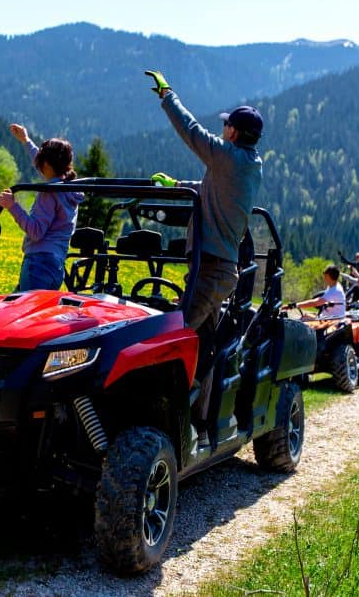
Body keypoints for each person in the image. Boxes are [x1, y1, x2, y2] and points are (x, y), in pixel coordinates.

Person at [144, 69, 263, 446]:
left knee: (173, 339)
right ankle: (199, 422)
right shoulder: (241, 164)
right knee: (203, 343)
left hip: (211, 269)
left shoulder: (231, 158)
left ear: (233, 133)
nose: (224, 129)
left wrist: (167, 94)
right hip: (214, 269)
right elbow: (209, 190)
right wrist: (176, 186)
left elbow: (191, 132)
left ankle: (169, 427)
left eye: (227, 126)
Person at [0, 124, 84, 291]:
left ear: (47, 165)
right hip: (56, 266)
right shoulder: (68, 188)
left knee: (25, 314)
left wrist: (12, 206)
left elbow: (36, 232)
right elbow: (46, 169)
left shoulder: (49, 193)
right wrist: (26, 140)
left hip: (38, 264)